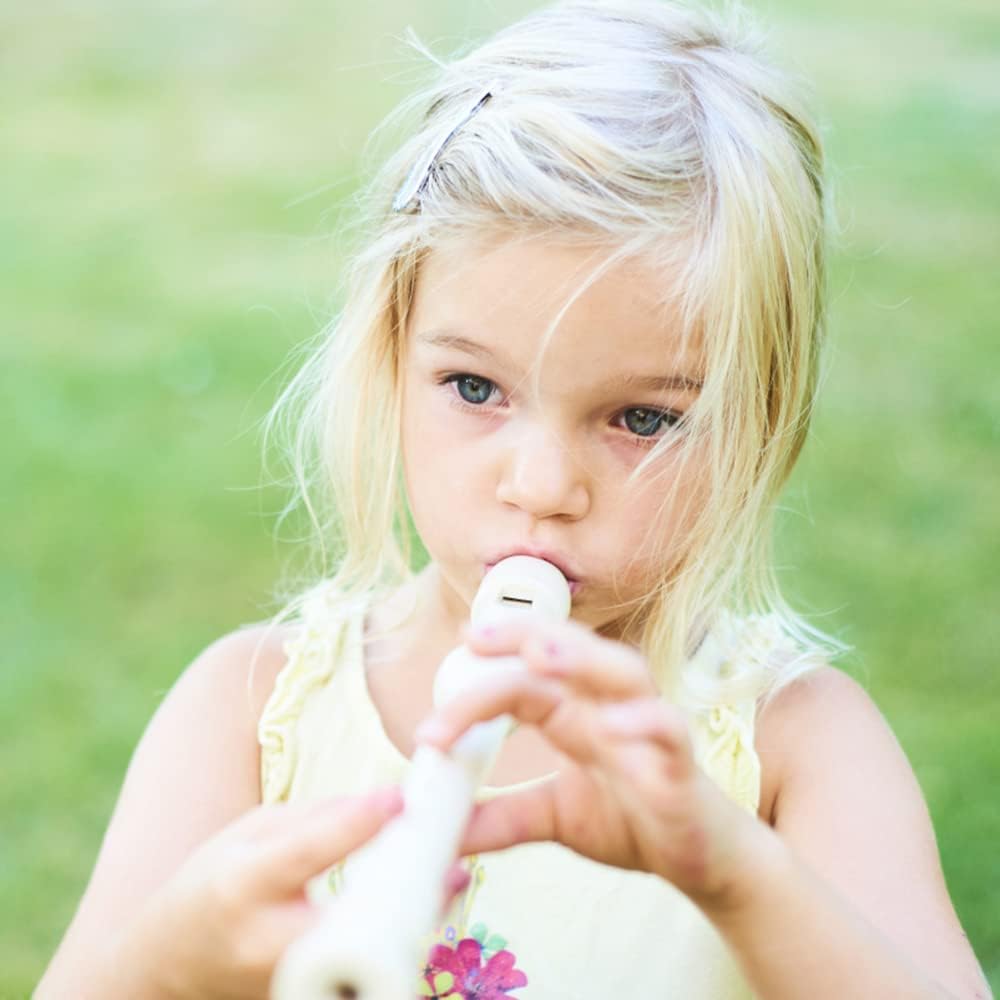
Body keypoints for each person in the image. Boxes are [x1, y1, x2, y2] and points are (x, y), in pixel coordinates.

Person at [38, 0, 991, 997]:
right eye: (474, 388)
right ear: (390, 355)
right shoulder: (248, 710)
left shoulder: (796, 745)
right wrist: (166, 965)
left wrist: (741, 881)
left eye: (643, 418)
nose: (539, 489)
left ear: (762, 418)